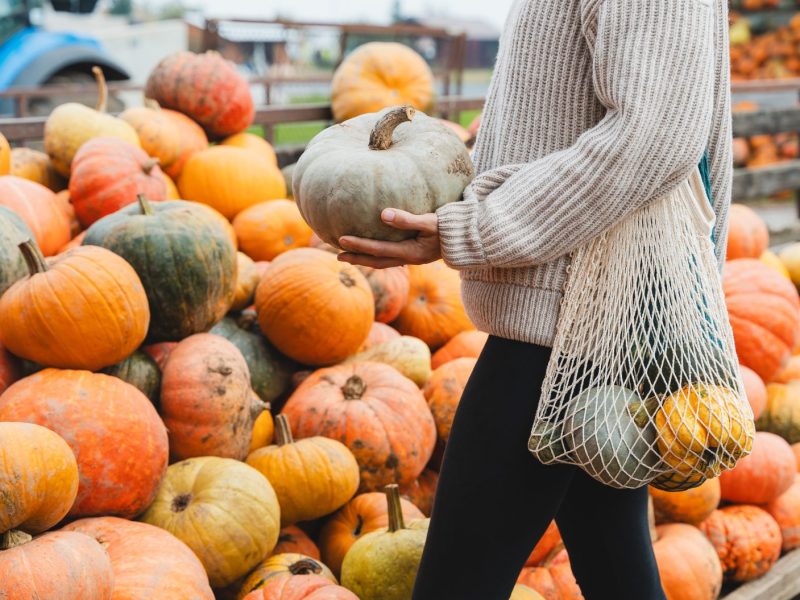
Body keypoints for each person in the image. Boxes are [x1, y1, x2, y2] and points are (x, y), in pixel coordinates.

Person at [337, 0, 732, 597]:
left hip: (568, 322)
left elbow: (657, 133)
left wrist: (477, 225)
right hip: (593, 312)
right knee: (617, 568)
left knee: (456, 584)